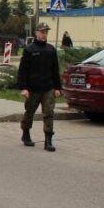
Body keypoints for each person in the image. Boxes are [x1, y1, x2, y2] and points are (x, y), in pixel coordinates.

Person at [17, 23, 61, 152]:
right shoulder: (29, 49)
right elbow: (23, 70)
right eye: (42, 32)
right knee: (29, 112)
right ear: (36, 33)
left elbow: (55, 70)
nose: (44, 34)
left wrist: (58, 88)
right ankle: (26, 133)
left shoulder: (51, 49)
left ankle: (48, 141)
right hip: (32, 89)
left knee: (49, 113)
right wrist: (23, 88)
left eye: (46, 32)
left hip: (48, 88)